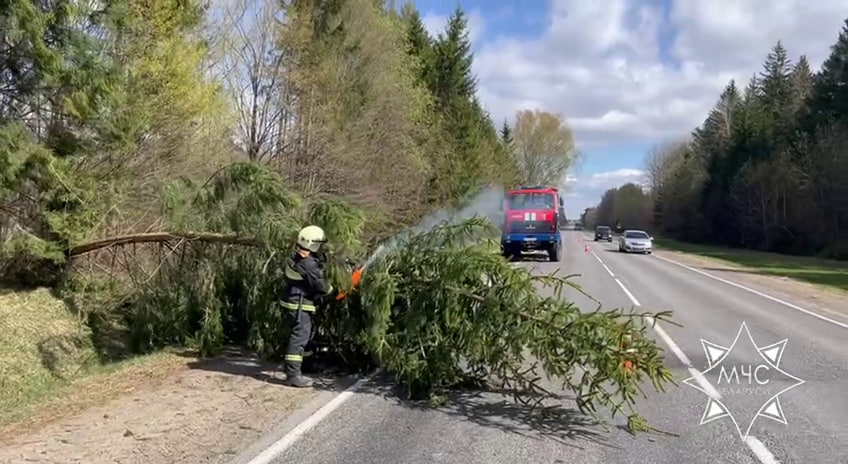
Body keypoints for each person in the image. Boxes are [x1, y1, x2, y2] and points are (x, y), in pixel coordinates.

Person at [280, 225, 335, 387]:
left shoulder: (298, 255)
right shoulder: (308, 263)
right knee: (300, 336)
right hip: (299, 304)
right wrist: (334, 289)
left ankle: (306, 365)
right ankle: (293, 375)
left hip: (296, 301)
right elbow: (321, 287)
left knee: (307, 335)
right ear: (313, 244)